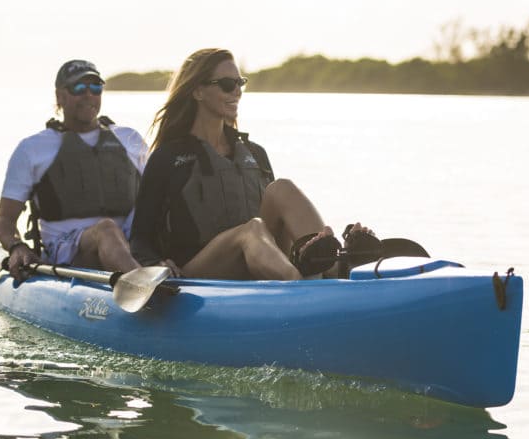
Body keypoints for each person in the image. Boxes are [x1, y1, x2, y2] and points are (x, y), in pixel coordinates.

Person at [129, 48, 380, 280]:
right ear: (198, 91)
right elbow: (140, 238)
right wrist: (155, 263)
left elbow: (277, 225)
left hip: (259, 259)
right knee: (251, 230)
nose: (237, 91)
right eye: (227, 85)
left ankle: (335, 271)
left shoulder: (254, 153)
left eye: (240, 83)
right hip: (201, 273)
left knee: (282, 188)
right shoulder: (168, 158)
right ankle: (298, 286)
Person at [0, 59, 147, 280]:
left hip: (130, 245)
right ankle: (144, 287)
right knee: (107, 230)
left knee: (116, 232)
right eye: (78, 88)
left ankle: (145, 278)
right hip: (67, 252)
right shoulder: (32, 149)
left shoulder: (129, 139)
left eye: (95, 88)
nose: (88, 95)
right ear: (60, 96)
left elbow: (158, 201)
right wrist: (16, 246)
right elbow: (4, 220)